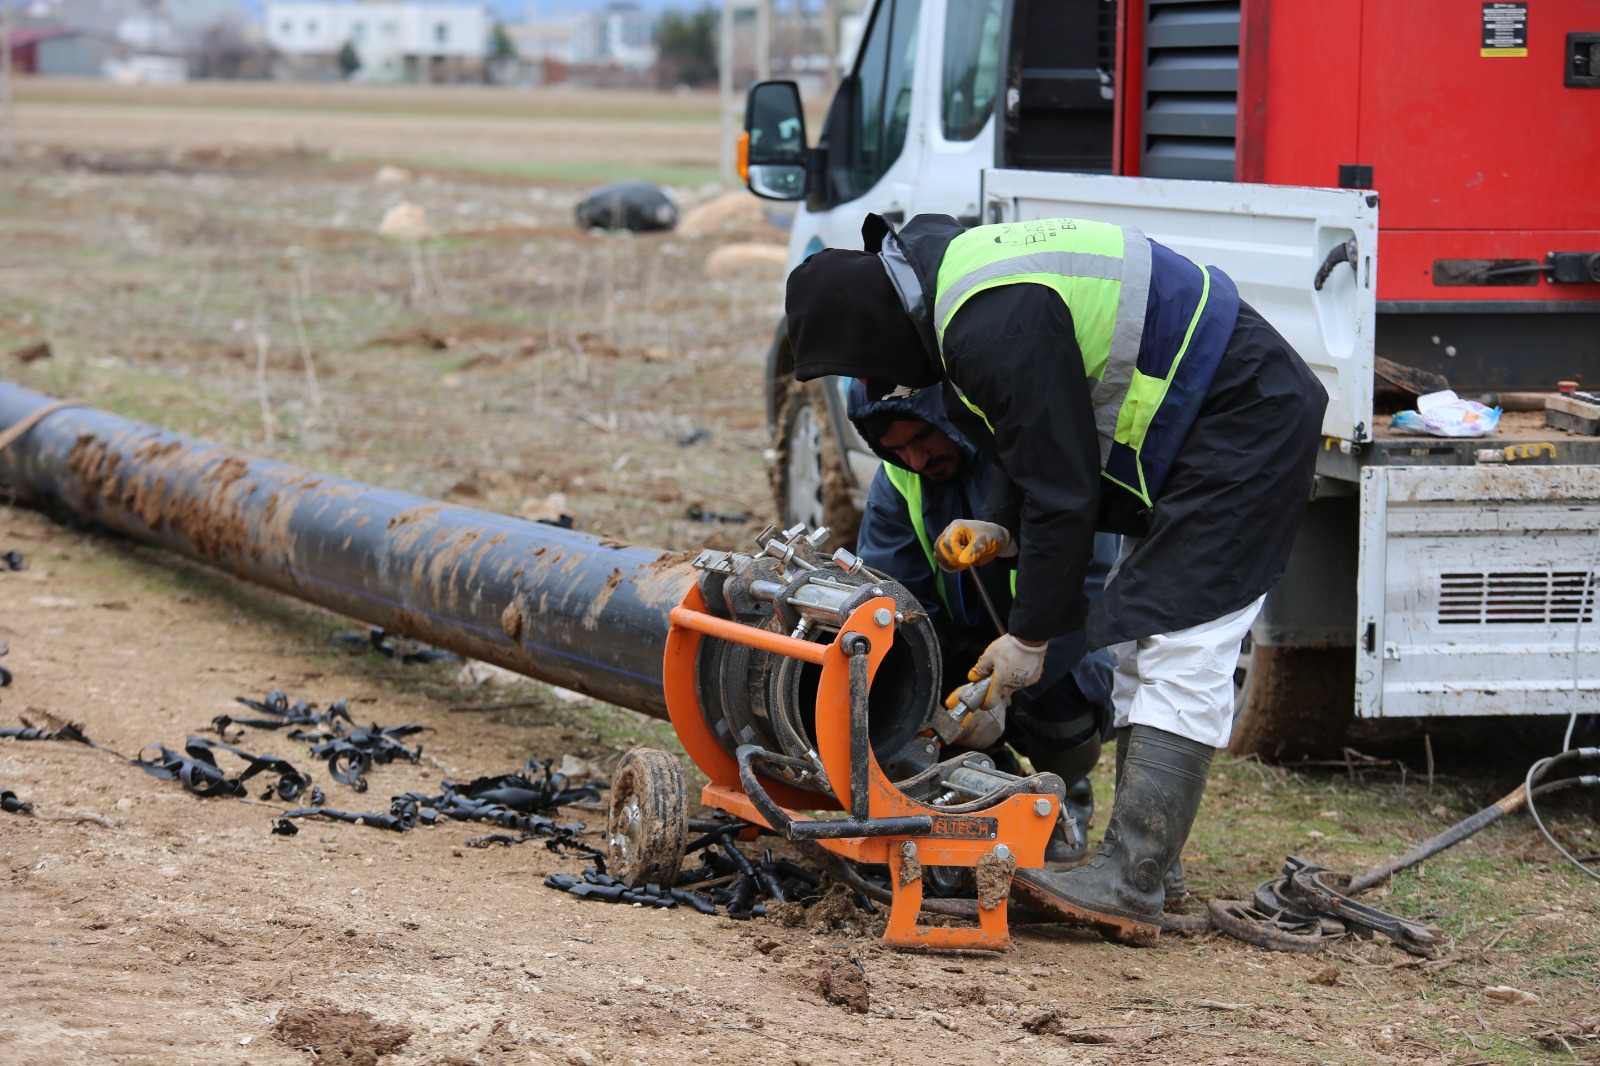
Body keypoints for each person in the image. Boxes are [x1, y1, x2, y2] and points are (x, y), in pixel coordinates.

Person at [784, 213, 1328, 944]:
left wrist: (1027, 639)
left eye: (874, 367)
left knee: (1183, 649)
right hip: (1208, 423)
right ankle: (1150, 872)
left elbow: (1065, 488)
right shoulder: (955, 294)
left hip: (1241, 419)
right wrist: (1001, 521)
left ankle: (1131, 881)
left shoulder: (980, 322)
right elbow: (1035, 438)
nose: (886, 384)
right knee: (1145, 643)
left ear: (878, 329)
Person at [845, 379, 1119, 862]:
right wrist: (928, 693)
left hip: (1050, 643)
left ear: (945, 416)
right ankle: (985, 786)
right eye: (896, 449)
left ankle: (1062, 792)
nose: (915, 461)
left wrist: (1010, 683)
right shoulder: (900, 482)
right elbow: (897, 604)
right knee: (912, 700)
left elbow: (1085, 590)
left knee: (1064, 711)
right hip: (959, 647)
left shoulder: (1024, 458)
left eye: (921, 439)